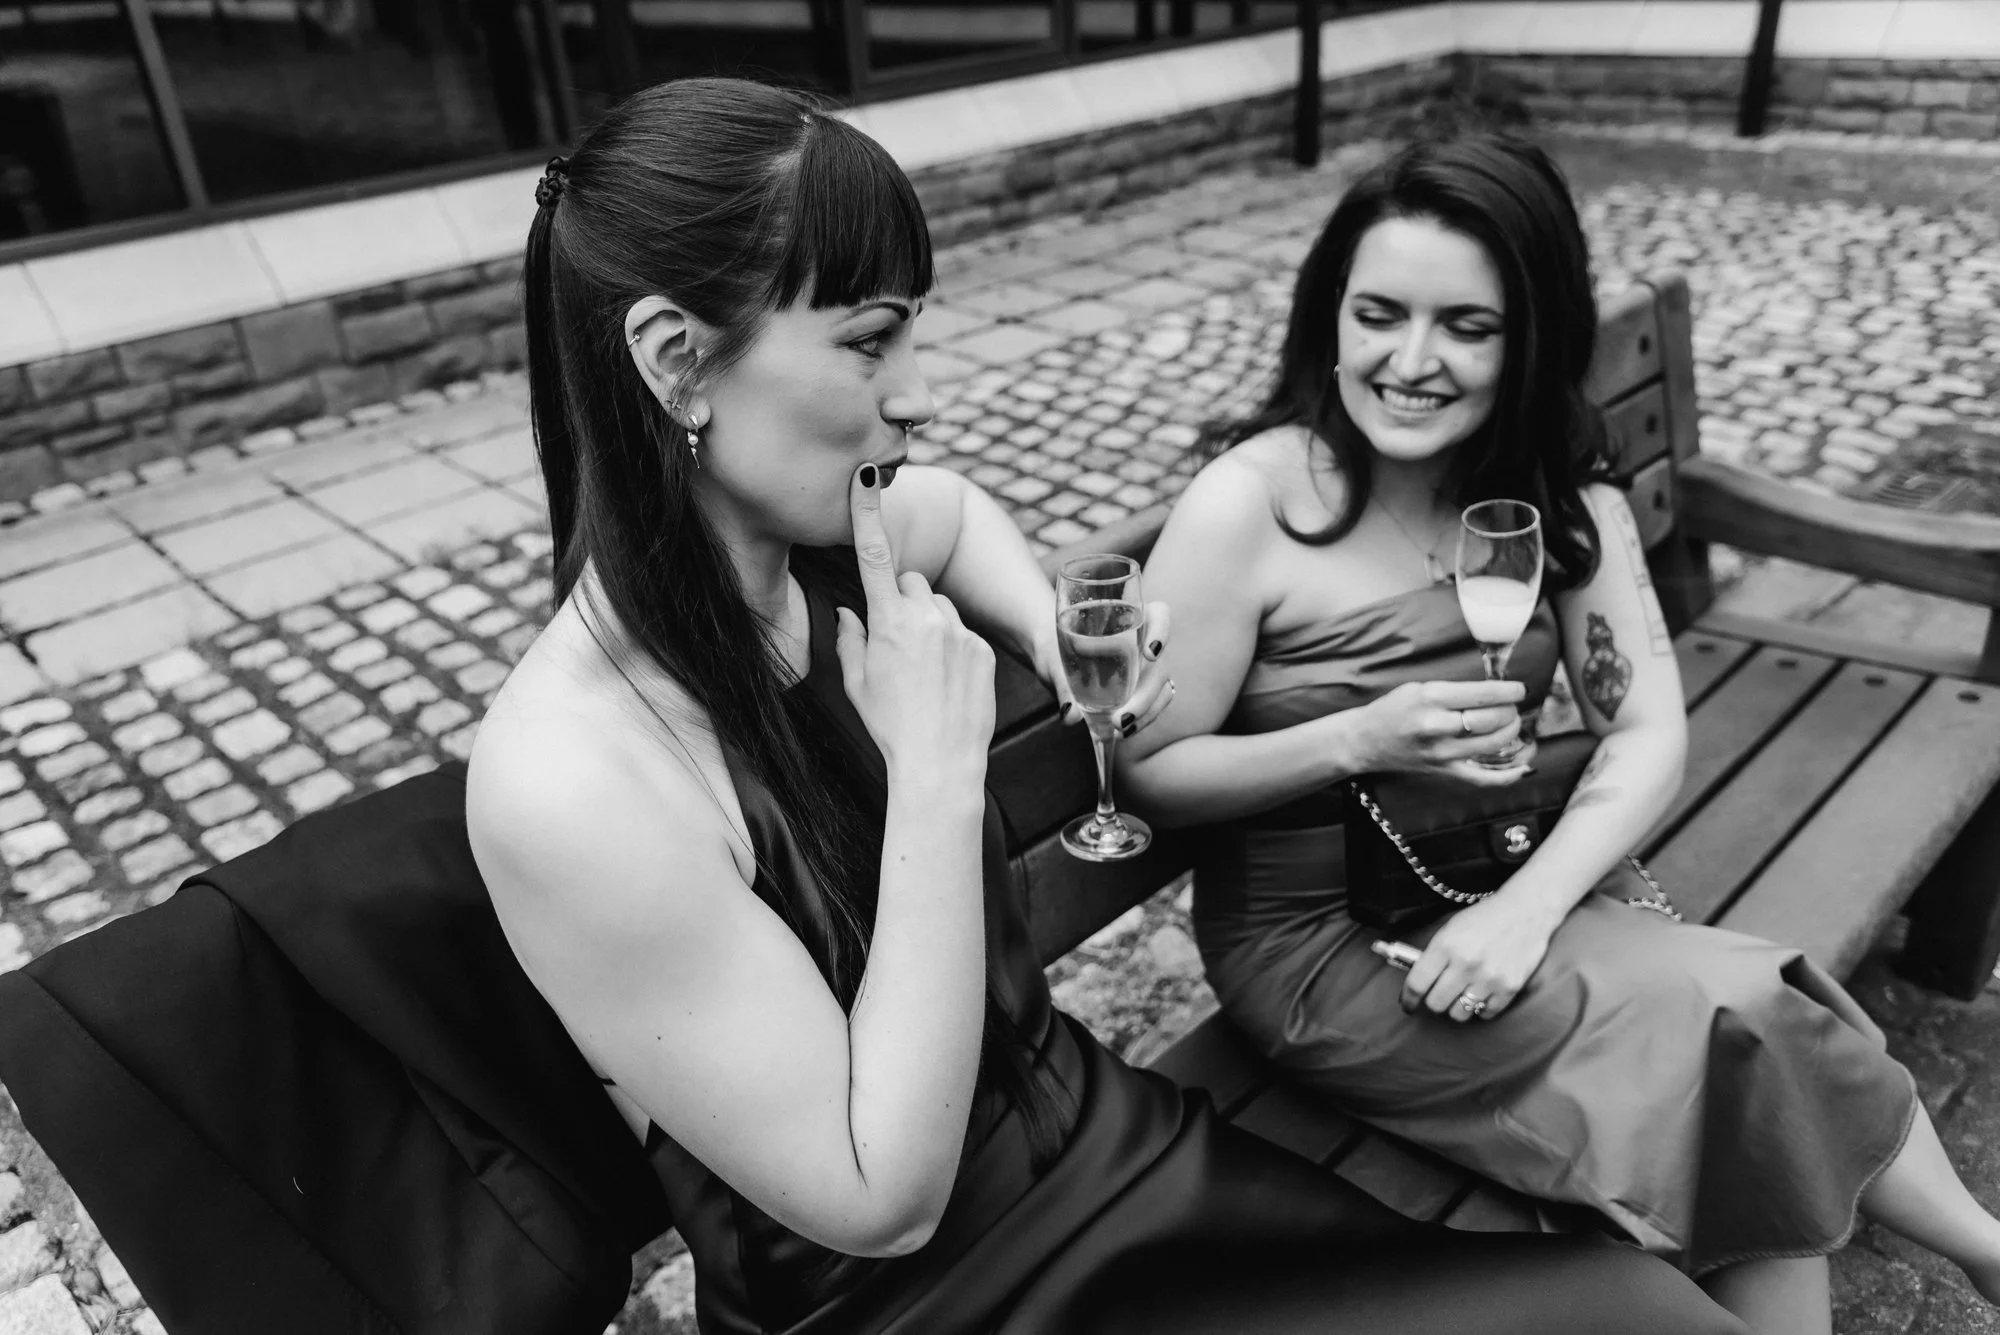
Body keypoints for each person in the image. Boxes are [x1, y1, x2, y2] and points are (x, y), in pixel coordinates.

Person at [462, 81, 1747, 1334]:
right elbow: (875, 1200)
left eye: (914, 329)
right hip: (922, 1294)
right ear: (677, 361)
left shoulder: (826, 538)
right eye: (867, 340)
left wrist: (1051, 631)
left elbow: (953, 511)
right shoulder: (570, 778)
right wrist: (935, 775)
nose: (917, 391)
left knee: (1629, 1307)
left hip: (1103, 1147)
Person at [1121, 131, 2000, 1335]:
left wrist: (1527, 906)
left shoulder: (1552, 495)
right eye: (1377, 314)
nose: (1410, 362)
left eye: (1465, 328)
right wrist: (1357, 737)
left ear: (1527, 335)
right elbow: (1149, 772)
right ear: (1328, 315)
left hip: (1517, 884)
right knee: (1732, 1023)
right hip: (1330, 951)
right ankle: (1986, 1255)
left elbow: (1642, 722)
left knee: (1741, 1033)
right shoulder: (1254, 505)